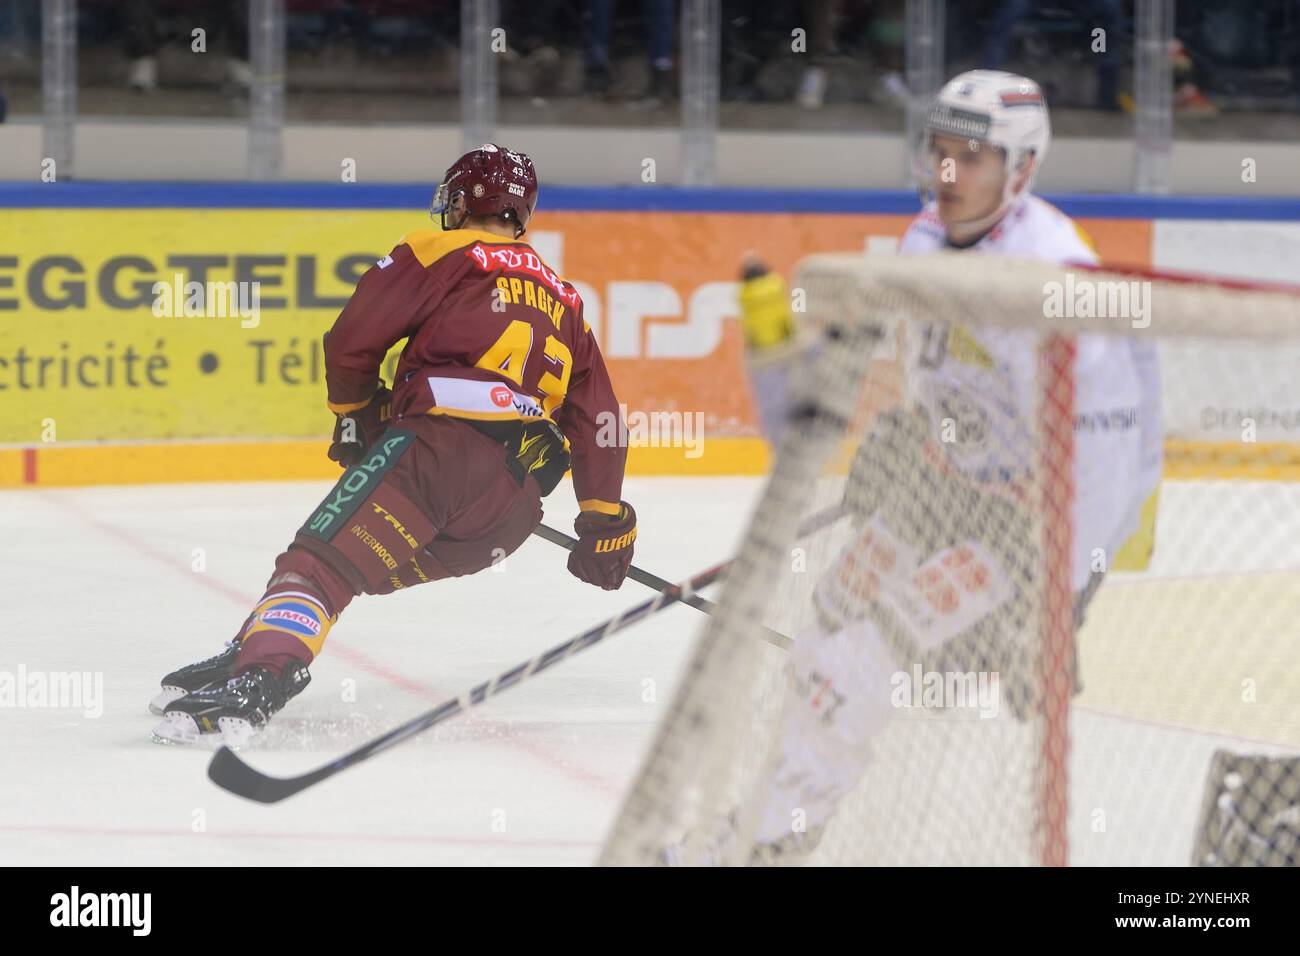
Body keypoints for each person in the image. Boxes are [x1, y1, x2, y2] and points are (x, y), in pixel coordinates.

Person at [723, 70, 1163, 863]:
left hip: (1030, 527)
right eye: (940, 152)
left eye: (974, 157)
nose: (949, 174)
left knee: (869, 653)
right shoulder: (924, 238)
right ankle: (772, 821)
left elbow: (1107, 456)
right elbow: (937, 375)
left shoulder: (1053, 278)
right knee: (826, 623)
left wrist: (1062, 598)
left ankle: (770, 845)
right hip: (941, 490)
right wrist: (905, 436)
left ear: (1022, 168)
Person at [151, 144, 636, 746]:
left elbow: (350, 341)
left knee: (321, 564)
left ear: (460, 202)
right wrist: (603, 518)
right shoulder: (567, 300)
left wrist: (355, 416)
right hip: (508, 514)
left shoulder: (440, 249)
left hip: (436, 452)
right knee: (348, 566)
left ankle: (260, 675)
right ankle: (262, 639)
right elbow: (600, 419)